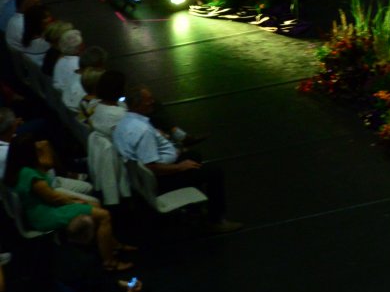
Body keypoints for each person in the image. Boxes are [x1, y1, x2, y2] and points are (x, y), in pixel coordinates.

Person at [110, 89, 239, 234]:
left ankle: (195, 209)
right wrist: (179, 167)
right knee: (214, 172)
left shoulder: (124, 123)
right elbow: (152, 166)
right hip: (159, 181)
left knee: (193, 155)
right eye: (148, 100)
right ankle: (216, 220)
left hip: (140, 178)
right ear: (137, 105)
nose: (153, 102)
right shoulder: (143, 131)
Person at [4, 138, 131, 272]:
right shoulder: (29, 174)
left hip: (43, 209)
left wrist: (76, 200)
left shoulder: (21, 170)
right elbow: (54, 198)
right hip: (46, 215)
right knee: (104, 215)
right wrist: (76, 201)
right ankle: (109, 262)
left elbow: (49, 182)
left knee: (95, 205)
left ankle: (112, 245)